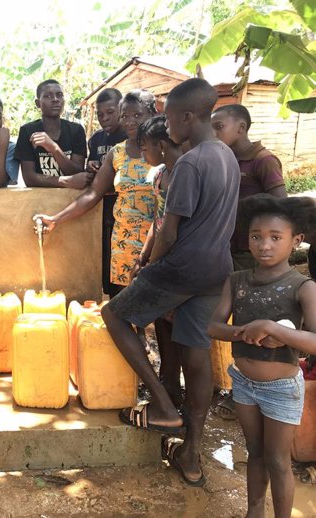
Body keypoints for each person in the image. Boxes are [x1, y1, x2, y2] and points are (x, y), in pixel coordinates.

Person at [97, 78, 240, 488]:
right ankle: (190, 454)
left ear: (188, 117)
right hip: (215, 270)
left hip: (182, 266)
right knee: (196, 358)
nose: (168, 125)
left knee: (114, 314)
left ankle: (161, 403)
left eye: (172, 117)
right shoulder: (225, 156)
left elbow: (170, 232)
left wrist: (147, 268)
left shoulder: (191, 164)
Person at [209, 194, 316, 518]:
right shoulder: (236, 281)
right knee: (255, 453)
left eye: (275, 237)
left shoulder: (303, 286)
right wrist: (248, 331)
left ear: (295, 241)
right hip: (243, 383)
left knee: (278, 459)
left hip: (282, 389)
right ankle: (253, 512)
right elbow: (212, 327)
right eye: (257, 237)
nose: (264, 245)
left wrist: (274, 329)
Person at [35, 89, 158, 293]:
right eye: (125, 116)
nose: (129, 121)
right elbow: (93, 194)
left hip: (158, 241)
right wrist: (56, 219)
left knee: (161, 314)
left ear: (152, 114)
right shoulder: (117, 152)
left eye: (137, 115)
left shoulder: (165, 149)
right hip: (124, 241)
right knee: (123, 307)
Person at [211, 103, 288, 420]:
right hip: (226, 250)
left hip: (250, 254)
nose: (214, 132)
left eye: (219, 126)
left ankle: (265, 391)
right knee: (232, 320)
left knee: (255, 318)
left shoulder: (262, 160)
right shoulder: (225, 158)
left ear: (241, 128)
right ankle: (235, 385)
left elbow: (281, 205)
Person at [132, 115, 185, 408]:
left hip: (178, 260)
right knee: (163, 322)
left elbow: (173, 229)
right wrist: (143, 255)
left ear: (161, 145)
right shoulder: (159, 175)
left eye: (145, 148)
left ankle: (175, 392)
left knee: (179, 326)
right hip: (159, 257)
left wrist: (153, 264)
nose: (143, 154)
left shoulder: (184, 175)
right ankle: (167, 380)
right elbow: (158, 220)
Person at [87, 88, 127, 297]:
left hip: (126, 209)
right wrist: (92, 165)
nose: (104, 118)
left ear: (121, 109)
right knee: (109, 262)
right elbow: (91, 167)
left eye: (110, 112)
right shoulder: (96, 139)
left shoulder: (129, 136)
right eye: (101, 114)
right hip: (103, 209)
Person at [15, 79, 87, 188]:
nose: (55, 100)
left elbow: (78, 174)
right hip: (40, 200)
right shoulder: (27, 131)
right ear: (38, 103)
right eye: (48, 96)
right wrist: (65, 181)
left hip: (71, 198)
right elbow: (29, 178)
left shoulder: (76, 130)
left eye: (59, 95)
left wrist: (54, 148)